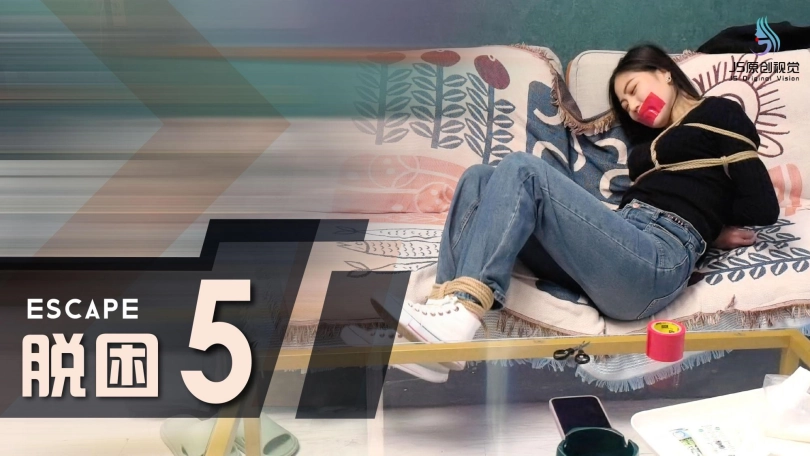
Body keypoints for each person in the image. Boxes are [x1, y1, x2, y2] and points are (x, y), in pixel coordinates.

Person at [372, 44, 779, 380]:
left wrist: (711, 227)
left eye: (634, 90)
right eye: (625, 104)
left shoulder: (718, 113)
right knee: (478, 178)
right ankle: (440, 329)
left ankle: (461, 312)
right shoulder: (647, 147)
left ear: (665, 72)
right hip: (626, 243)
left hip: (657, 259)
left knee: (524, 169)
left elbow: (762, 205)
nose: (634, 106)